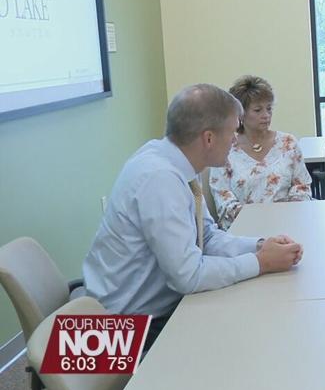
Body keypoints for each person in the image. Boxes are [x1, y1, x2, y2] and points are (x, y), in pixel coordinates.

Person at [83, 84, 304, 350]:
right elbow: (188, 277)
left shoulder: (176, 161)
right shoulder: (160, 179)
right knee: (239, 348)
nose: (236, 140)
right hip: (121, 330)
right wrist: (261, 263)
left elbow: (206, 237)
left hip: (154, 309)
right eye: (233, 131)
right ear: (209, 139)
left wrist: (259, 245)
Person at [210, 75, 312, 230]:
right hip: (245, 230)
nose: (266, 115)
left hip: (287, 224)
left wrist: (286, 212)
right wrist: (259, 218)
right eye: (258, 110)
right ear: (241, 114)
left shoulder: (288, 143)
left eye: (269, 108)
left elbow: (302, 188)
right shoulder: (225, 149)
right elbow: (224, 200)